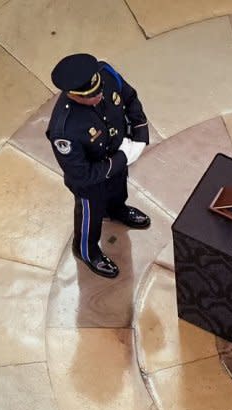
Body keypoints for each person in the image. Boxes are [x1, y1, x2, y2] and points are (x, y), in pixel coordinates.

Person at [46, 53, 151, 278]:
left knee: (118, 189)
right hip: (90, 180)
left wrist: (140, 130)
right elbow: (82, 174)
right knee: (90, 215)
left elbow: (129, 98)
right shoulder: (63, 130)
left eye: (99, 89)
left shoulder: (106, 73)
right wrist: (123, 157)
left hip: (115, 153)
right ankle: (86, 250)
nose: (99, 96)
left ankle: (115, 210)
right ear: (73, 95)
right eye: (91, 97)